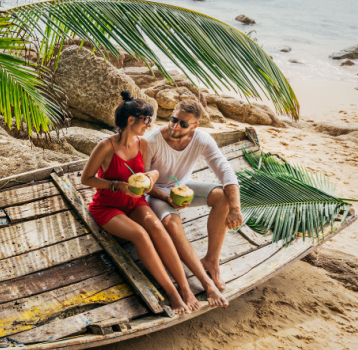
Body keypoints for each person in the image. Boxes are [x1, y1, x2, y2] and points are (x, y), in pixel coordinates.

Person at [81, 91, 196, 315]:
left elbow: (142, 176)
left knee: (156, 227)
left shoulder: (142, 144)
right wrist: (116, 185)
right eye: (146, 120)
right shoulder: (105, 147)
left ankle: (185, 287)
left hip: (134, 202)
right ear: (131, 120)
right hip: (108, 207)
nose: (149, 125)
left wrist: (152, 175)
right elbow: (86, 178)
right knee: (141, 235)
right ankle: (172, 292)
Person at [145, 99, 242, 308]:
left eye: (183, 124)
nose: (175, 126)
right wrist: (165, 198)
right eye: (173, 120)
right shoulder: (152, 141)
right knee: (172, 223)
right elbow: (143, 181)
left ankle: (211, 261)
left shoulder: (202, 139)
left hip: (184, 186)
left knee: (223, 196)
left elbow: (225, 170)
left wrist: (235, 208)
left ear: (195, 126)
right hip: (156, 192)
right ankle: (206, 283)